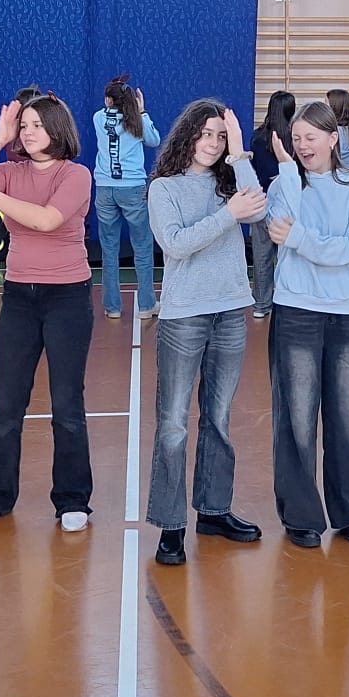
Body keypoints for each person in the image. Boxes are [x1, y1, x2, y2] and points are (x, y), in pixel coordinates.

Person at [0, 97, 97, 531]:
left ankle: (72, 500)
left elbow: (47, 220)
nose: (29, 132)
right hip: (19, 297)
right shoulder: (9, 172)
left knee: (67, 404)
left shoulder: (75, 174)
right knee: (7, 403)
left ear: (58, 128)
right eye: (24, 126)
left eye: (37, 124)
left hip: (67, 297)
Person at [145, 100, 271, 566]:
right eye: (206, 134)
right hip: (184, 317)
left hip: (230, 312)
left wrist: (240, 154)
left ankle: (214, 511)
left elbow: (257, 212)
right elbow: (176, 244)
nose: (212, 143)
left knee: (218, 417)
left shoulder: (231, 181)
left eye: (220, 136)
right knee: (174, 423)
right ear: (187, 135)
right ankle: (171, 524)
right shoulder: (164, 188)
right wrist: (227, 214)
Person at [265, 99, 349, 547]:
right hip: (296, 310)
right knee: (296, 414)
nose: (302, 145)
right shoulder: (285, 183)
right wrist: (288, 173)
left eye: (310, 137)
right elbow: (279, 228)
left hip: (348, 312)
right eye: (296, 138)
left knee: (347, 412)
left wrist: (302, 239)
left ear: (333, 139)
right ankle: (301, 516)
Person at [92, 74, 162, 320]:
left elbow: (110, 115)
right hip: (133, 187)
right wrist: (142, 112)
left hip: (104, 187)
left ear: (108, 100)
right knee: (142, 246)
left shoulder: (98, 118)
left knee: (109, 249)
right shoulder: (136, 121)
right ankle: (146, 305)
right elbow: (154, 141)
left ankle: (112, 307)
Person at [248, 90, 296, 321]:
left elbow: (257, 172)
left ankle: (261, 303)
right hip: (288, 204)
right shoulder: (294, 138)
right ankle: (288, 301)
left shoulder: (258, 137)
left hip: (263, 202)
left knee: (262, 256)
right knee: (289, 256)